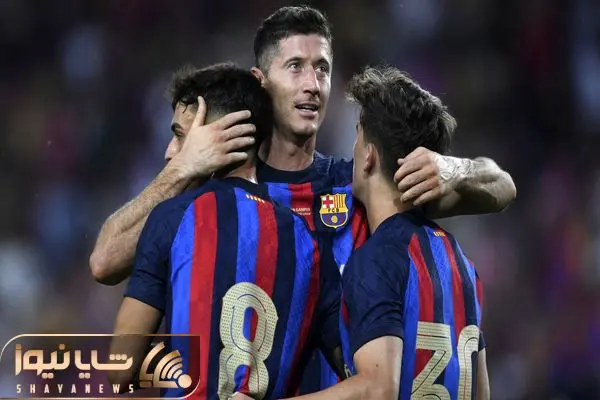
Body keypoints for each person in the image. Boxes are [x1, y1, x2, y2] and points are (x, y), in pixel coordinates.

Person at [92, 5, 515, 392]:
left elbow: (502, 188)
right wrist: (182, 169)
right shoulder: (211, 194)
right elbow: (106, 260)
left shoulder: (360, 184)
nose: (313, 85)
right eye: (295, 67)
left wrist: (453, 168)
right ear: (260, 80)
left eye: (323, 69)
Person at [109, 63, 346, 399]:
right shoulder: (310, 243)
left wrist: (186, 353)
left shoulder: (173, 218)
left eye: (180, 135)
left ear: (217, 134)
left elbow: (120, 370)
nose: (170, 151)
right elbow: (358, 373)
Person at [280, 66, 490, 400]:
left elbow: (378, 389)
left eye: (358, 137)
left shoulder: (375, 259)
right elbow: (481, 392)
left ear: (369, 156)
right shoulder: (463, 265)